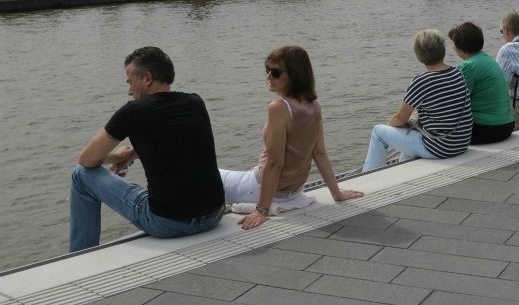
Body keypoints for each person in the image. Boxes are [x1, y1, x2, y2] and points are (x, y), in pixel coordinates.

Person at [69, 46, 224, 252]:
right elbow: (173, 145)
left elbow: (86, 159)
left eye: (130, 82)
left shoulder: (133, 111)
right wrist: (131, 154)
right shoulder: (195, 102)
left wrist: (115, 157)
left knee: (81, 175)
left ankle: (81, 254)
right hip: (213, 216)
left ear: (147, 78)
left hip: (168, 223)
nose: (129, 90)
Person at [219, 46, 363, 230]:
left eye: (276, 72)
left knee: (205, 171)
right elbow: (319, 152)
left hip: (259, 188)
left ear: (294, 75)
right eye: (267, 70)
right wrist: (337, 193)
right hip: (294, 192)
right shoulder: (314, 105)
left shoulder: (278, 107)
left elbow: (274, 163)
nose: (269, 76)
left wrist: (262, 210)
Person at [361, 29, 473, 171]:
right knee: (409, 134)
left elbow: (400, 118)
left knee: (378, 132)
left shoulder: (422, 81)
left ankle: (368, 176)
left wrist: (389, 127)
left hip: (439, 148)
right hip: (461, 143)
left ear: (418, 55)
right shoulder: (458, 73)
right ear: (443, 50)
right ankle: (402, 173)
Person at [449, 22, 515, 144]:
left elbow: (454, 103)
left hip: (487, 129)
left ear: (459, 46)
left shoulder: (468, 66)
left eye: (453, 44)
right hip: (507, 124)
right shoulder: (488, 60)